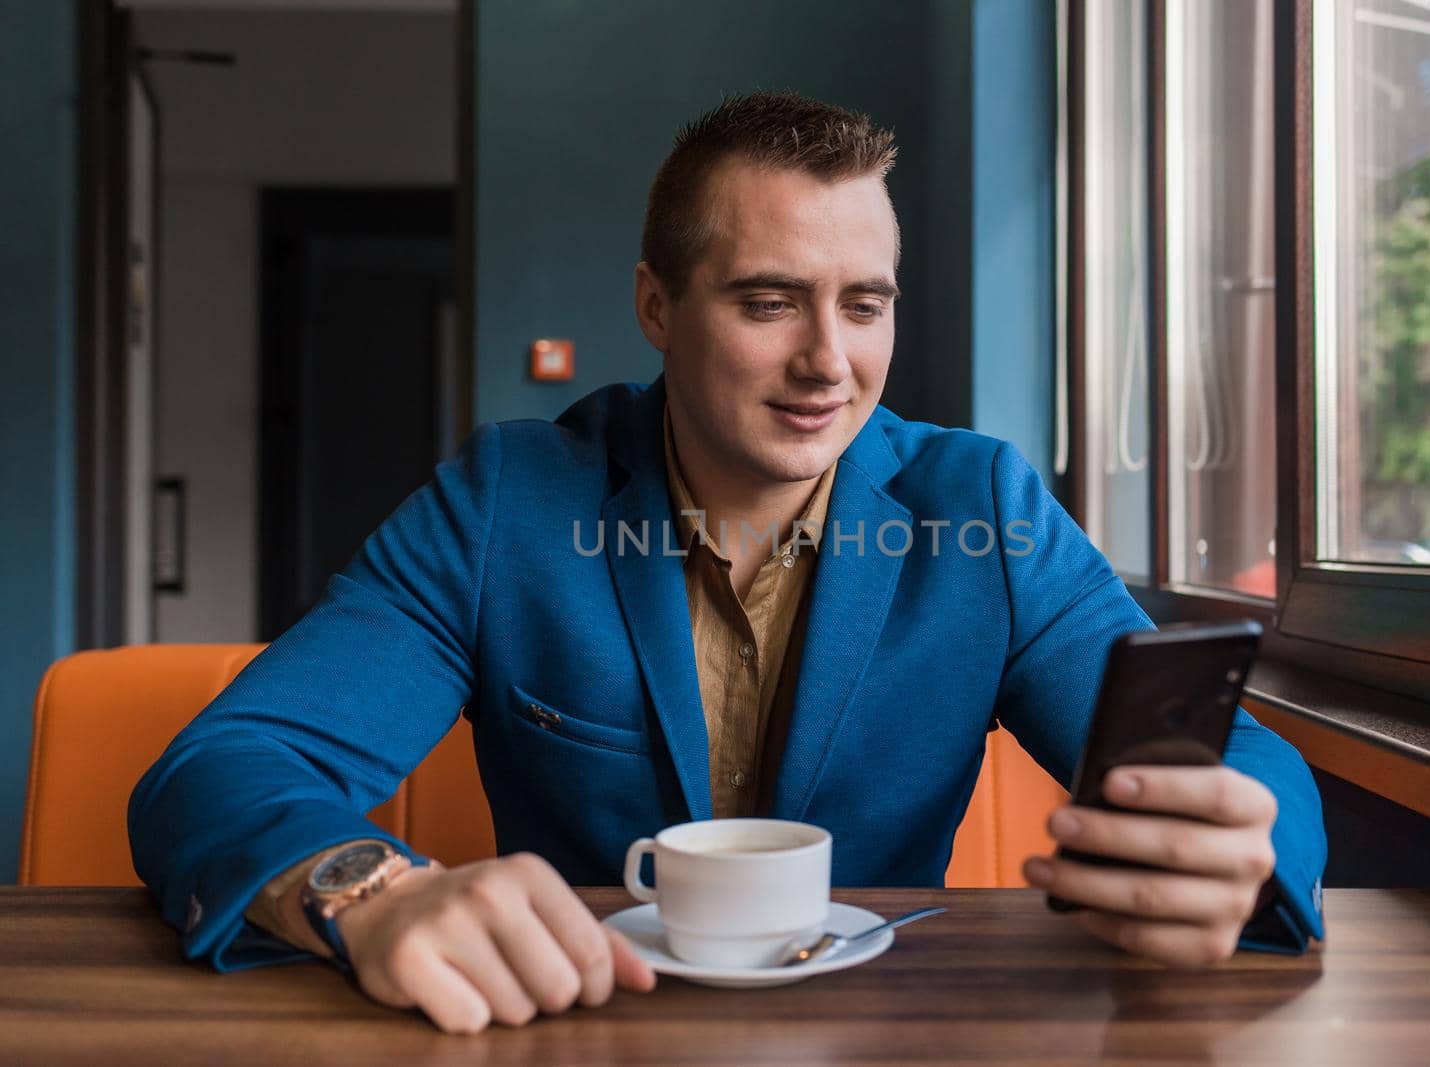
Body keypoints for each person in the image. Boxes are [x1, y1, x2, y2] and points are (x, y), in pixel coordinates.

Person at [130, 91, 1326, 1035]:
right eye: (769, 302)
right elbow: (226, 765)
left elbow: (1233, 762)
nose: (829, 362)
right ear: (658, 305)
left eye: (865, 304)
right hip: (575, 1027)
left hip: (891, 1036)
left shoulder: (985, 508)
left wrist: (1241, 845)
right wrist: (368, 894)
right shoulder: (508, 501)